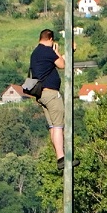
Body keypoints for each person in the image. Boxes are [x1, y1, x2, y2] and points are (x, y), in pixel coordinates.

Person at [29, 28, 67, 171]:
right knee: (58, 125)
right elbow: (62, 65)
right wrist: (56, 51)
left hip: (41, 95)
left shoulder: (35, 53)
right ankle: (61, 157)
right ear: (50, 39)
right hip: (51, 94)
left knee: (52, 126)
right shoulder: (47, 51)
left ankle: (58, 155)